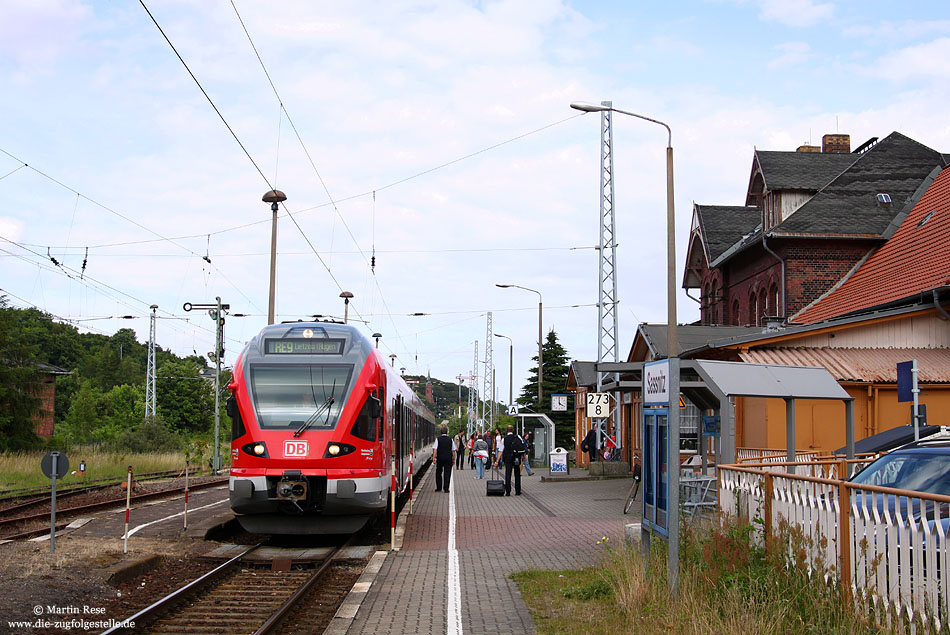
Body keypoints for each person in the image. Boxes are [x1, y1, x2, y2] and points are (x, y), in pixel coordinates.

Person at [497, 424, 524, 496]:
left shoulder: (504, 439)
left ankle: (508, 491)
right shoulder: (518, 437)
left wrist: (497, 461)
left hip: (508, 458)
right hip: (516, 457)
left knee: (508, 474)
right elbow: (522, 447)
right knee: (517, 474)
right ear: (513, 430)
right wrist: (524, 456)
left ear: (506, 431)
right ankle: (518, 491)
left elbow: (500, 451)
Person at [432, 424, 456, 493]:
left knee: (438, 472)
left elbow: (435, 449)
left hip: (440, 458)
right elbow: (453, 451)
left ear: (441, 432)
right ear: (447, 432)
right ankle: (446, 488)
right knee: (447, 473)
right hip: (448, 459)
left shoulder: (438, 439)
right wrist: (454, 459)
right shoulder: (450, 439)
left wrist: (434, 457)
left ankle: (439, 488)